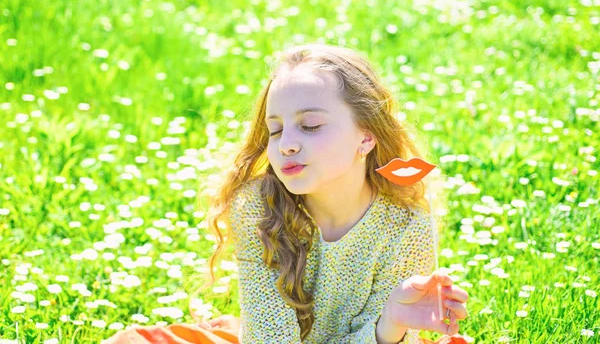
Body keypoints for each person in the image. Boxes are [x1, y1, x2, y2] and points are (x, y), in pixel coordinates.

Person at [104, 43, 470, 344]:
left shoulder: (407, 225)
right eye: (276, 131)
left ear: (366, 135)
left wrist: (388, 325)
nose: (287, 146)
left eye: (310, 126)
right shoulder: (258, 208)